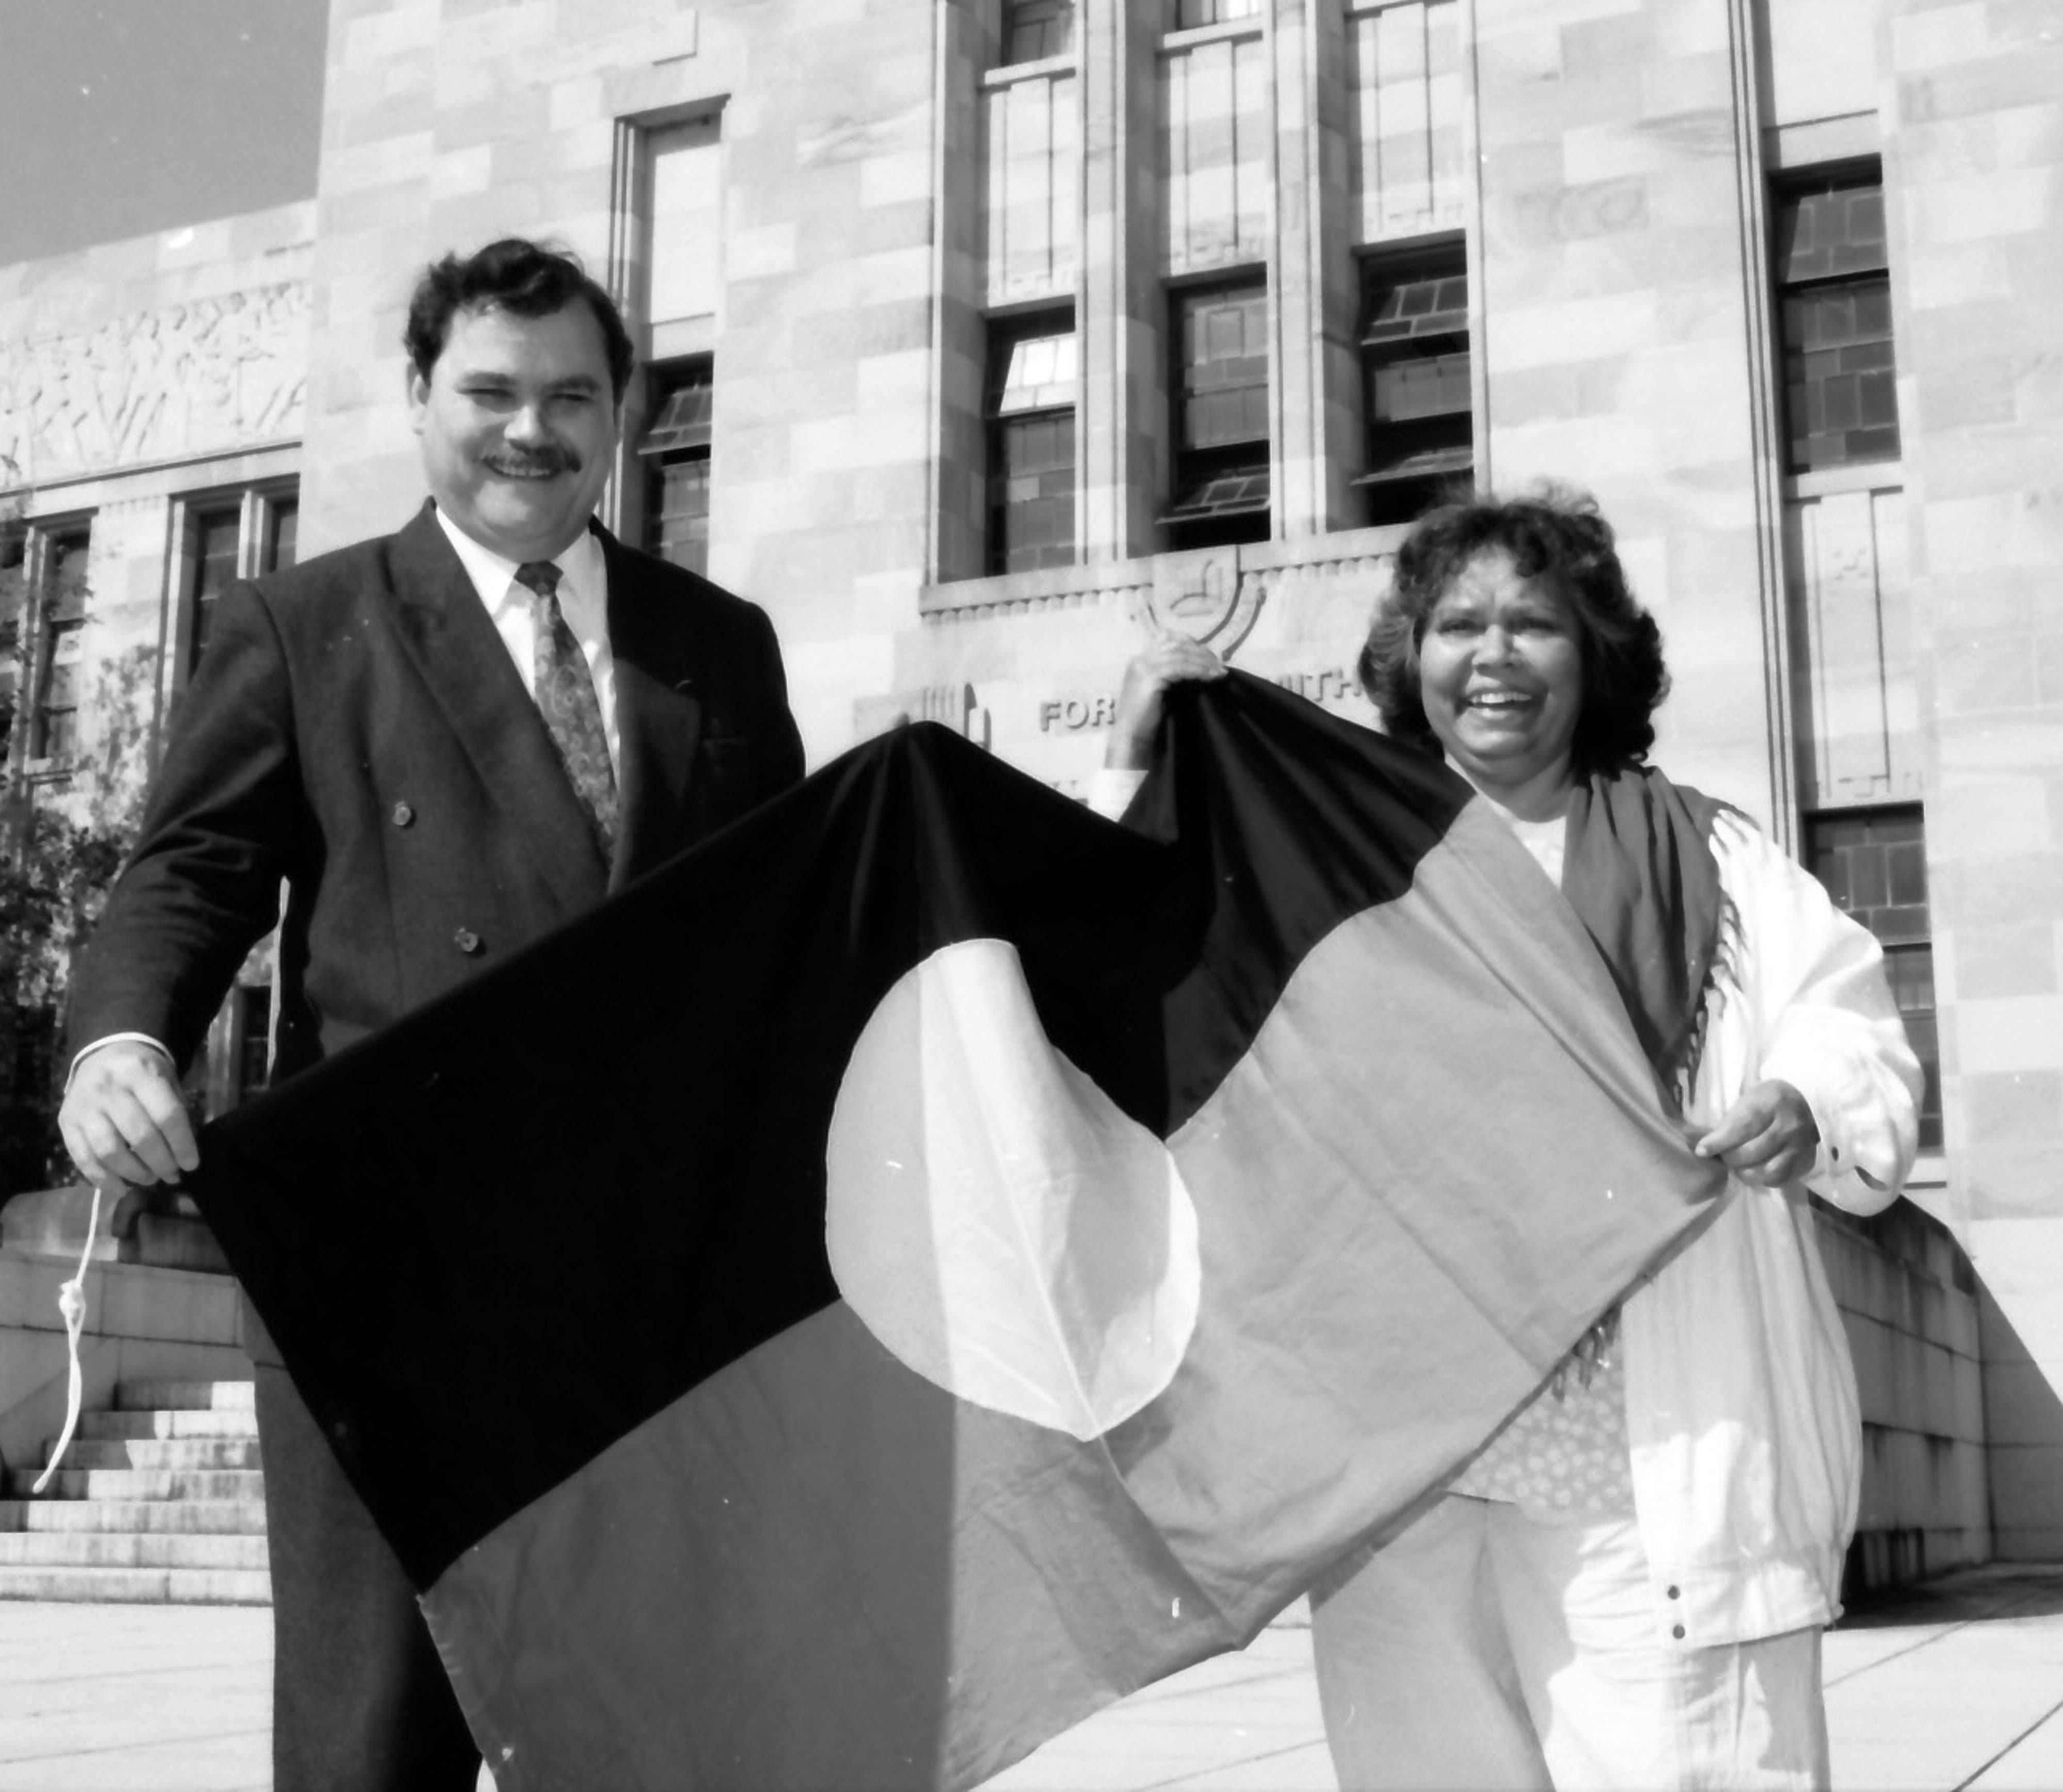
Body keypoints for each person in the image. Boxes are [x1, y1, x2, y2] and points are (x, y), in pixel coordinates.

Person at [58, 238, 805, 1792]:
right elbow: (189, 872)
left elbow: (783, 927)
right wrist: (124, 1039)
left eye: (571, 395)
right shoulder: (305, 624)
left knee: (652, 1749)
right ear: (417, 397)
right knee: (371, 1755)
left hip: (648, 1298)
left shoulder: (716, 642)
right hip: (382, 1286)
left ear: (620, 415)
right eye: (490, 391)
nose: (530, 428)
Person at [1096, 487, 1920, 1790]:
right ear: (1408, 659)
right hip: (1401, 1481)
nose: (1491, 655)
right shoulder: (1335, 874)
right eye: (1457, 624)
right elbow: (1139, 999)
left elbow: (1852, 1033)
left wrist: (1807, 1104)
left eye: (1532, 622)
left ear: (1591, 654)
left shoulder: (1712, 858)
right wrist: (1139, 767)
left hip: (1641, 1469)